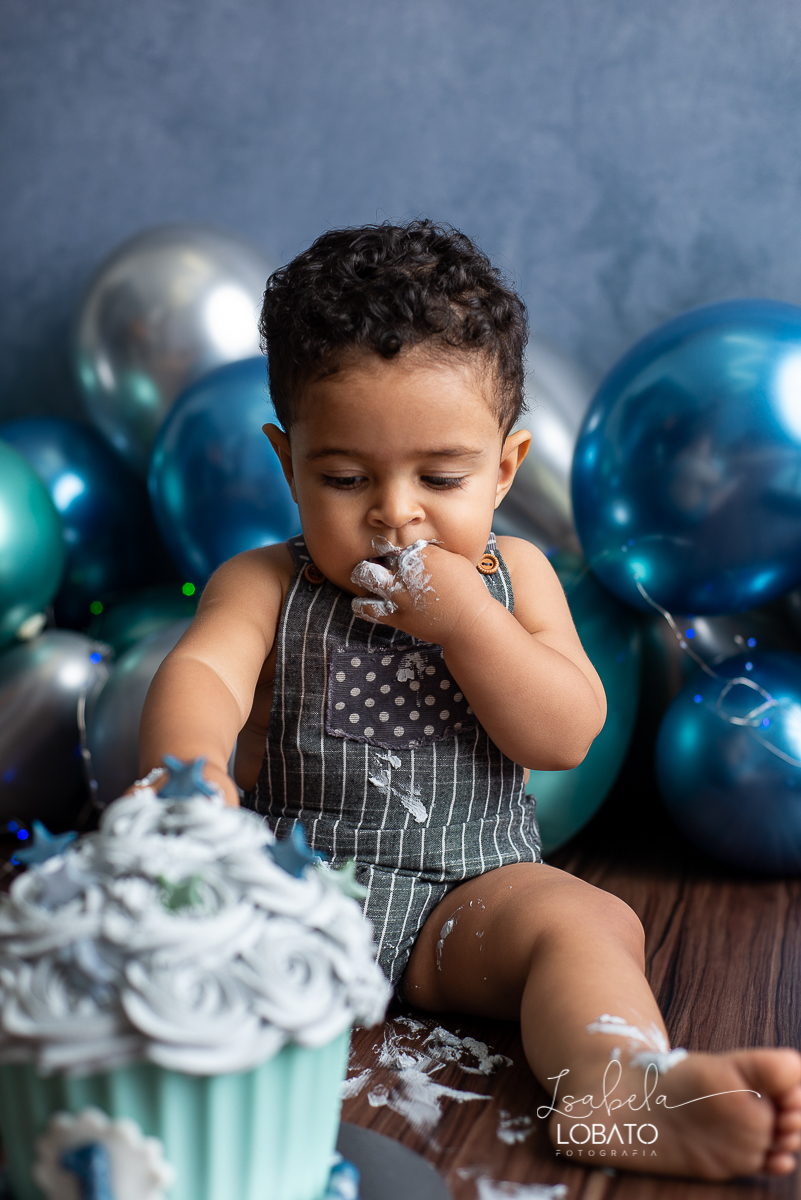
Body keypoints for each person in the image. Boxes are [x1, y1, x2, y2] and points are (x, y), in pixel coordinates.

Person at [139, 219, 801, 1180]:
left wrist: (468, 623)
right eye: (343, 477)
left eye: (439, 477)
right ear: (287, 464)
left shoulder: (517, 575)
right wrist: (191, 779)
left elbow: (567, 732)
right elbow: (203, 675)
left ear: (504, 466)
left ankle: (616, 1090)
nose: (395, 511)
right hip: (299, 898)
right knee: (156, 940)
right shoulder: (265, 583)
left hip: (469, 901)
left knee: (589, 920)